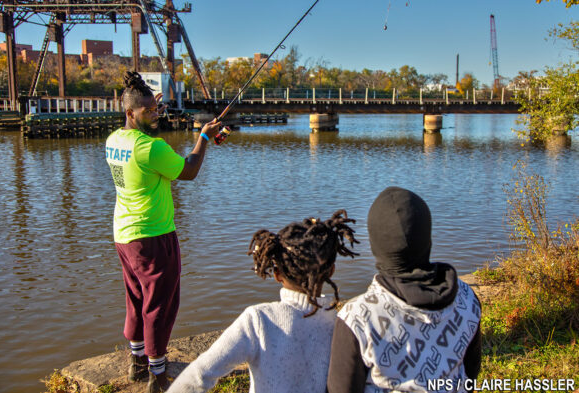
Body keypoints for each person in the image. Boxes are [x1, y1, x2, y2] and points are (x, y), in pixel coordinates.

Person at [106, 71, 222, 393]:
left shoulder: (114, 140)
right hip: (154, 236)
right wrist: (204, 137)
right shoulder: (150, 148)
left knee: (136, 298)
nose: (156, 114)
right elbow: (189, 171)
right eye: (149, 111)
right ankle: (158, 378)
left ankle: (137, 362)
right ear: (131, 113)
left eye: (156, 108)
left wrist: (152, 109)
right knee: (160, 305)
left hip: (124, 234)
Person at [167, 210, 359, 393]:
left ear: (276, 274)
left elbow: (200, 373)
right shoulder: (343, 325)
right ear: (331, 270)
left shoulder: (259, 320)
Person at [327, 187, 482, 393]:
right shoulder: (466, 298)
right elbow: (470, 372)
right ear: (427, 238)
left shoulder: (358, 317)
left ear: (375, 245)